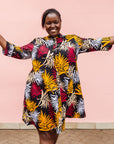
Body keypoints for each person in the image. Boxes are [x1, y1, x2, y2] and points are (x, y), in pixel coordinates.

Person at [0, 8, 114, 144]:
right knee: (46, 138)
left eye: (56, 22)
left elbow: (96, 43)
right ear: (44, 25)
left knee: (53, 137)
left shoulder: (73, 41)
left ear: (60, 22)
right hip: (39, 97)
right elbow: (16, 51)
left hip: (60, 98)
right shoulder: (37, 43)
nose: (52, 26)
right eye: (48, 23)